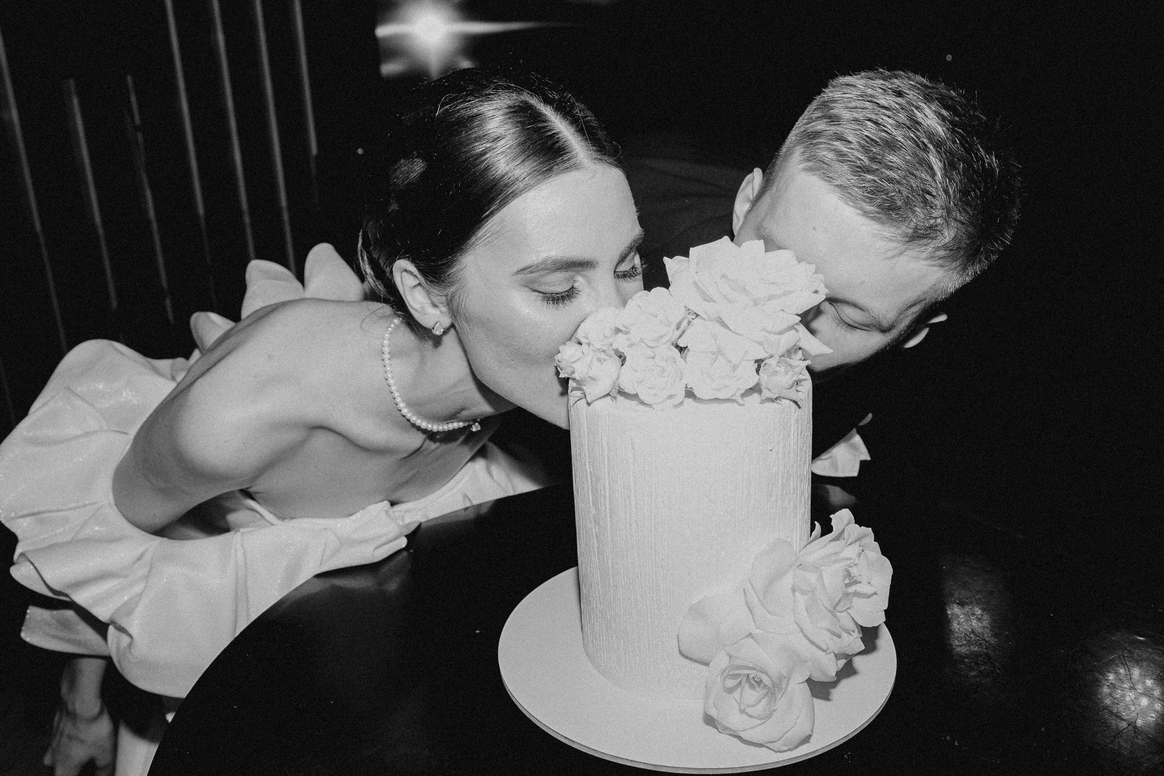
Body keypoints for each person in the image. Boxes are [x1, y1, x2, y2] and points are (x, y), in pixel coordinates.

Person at [0, 67, 645, 775]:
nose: (620, 321)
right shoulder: (230, 422)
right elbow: (103, 550)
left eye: (627, 265)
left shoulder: (530, 377)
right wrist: (83, 709)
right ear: (426, 298)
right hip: (221, 658)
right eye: (557, 289)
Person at [624, 69, 1022, 477]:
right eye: (775, 263)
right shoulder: (619, 272)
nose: (785, 325)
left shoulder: (887, 388)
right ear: (745, 204)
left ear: (913, 331)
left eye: (846, 317)